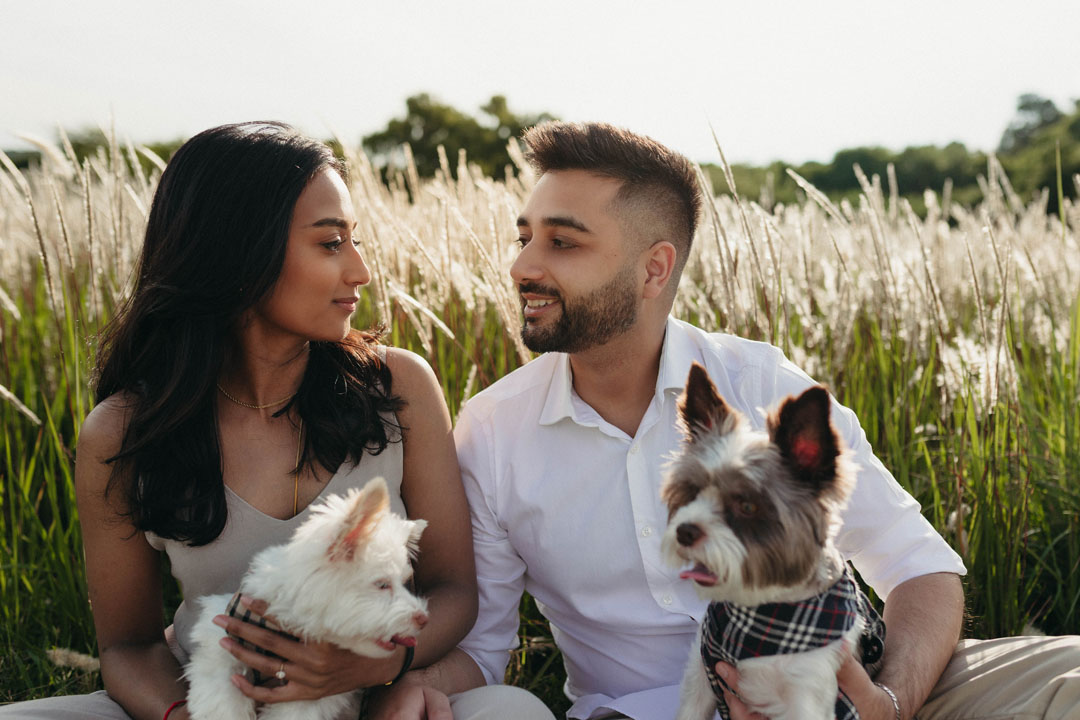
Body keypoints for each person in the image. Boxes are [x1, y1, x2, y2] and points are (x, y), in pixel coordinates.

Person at [384, 121, 1080, 720]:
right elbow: (484, 648)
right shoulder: (494, 429)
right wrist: (398, 686)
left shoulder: (764, 385)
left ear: (654, 268)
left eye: (563, 243)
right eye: (525, 236)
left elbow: (919, 567)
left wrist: (886, 703)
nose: (521, 265)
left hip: (837, 687)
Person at [0, 122, 487, 720]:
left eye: (354, 241)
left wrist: (382, 669)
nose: (360, 270)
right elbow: (128, 646)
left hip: (371, 703)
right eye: (331, 243)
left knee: (514, 713)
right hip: (206, 700)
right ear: (239, 252)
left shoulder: (398, 388)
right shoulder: (124, 430)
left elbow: (455, 591)